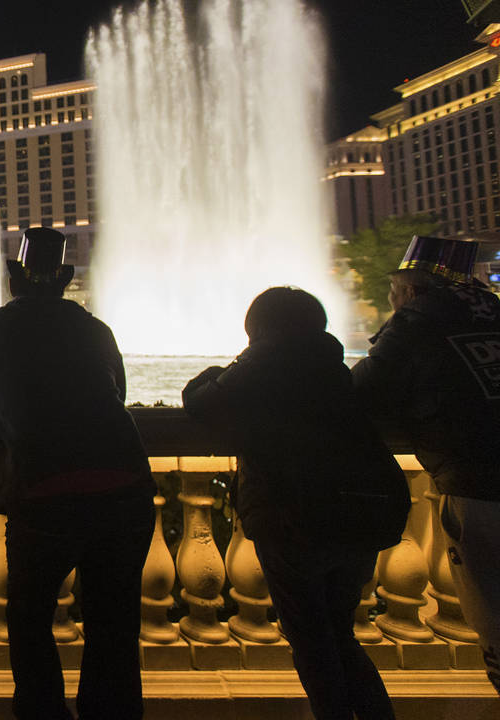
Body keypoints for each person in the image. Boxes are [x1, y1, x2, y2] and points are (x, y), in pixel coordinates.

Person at [182, 286, 408, 720]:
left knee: (312, 640)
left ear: (259, 329)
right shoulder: (332, 364)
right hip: (360, 513)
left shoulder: (266, 362)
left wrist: (223, 367)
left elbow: (202, 401)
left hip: (297, 518)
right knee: (340, 635)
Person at [0, 227, 156, 720]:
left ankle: (43, 712)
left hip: (42, 496)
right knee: (113, 628)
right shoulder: (94, 329)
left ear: (12, 279)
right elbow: (120, 394)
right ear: (66, 279)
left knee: (29, 622)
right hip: (123, 491)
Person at [352, 236, 500, 719]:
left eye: (393, 289)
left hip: (483, 498)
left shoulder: (414, 327)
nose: (391, 299)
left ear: (411, 290)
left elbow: (360, 393)